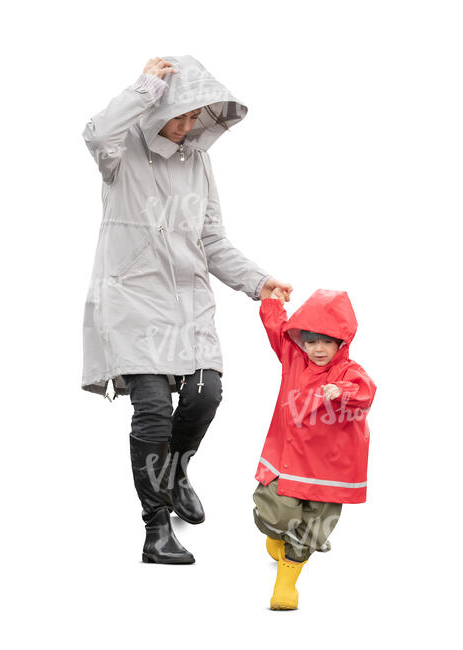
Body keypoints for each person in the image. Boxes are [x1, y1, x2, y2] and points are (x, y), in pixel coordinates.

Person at [81, 55, 293, 564]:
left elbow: (211, 238)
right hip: (132, 300)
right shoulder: (123, 150)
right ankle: (156, 529)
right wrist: (146, 86)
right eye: (179, 114)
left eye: (195, 115)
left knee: (205, 396)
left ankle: (173, 471)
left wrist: (258, 281)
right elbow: (94, 133)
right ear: (159, 110)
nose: (187, 124)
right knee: (152, 412)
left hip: (189, 302)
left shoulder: (198, 161)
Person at [253, 288, 376, 609]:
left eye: (326, 341)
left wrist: (341, 390)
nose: (318, 349)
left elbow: (365, 391)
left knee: (314, 528)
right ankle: (276, 535)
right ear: (301, 342)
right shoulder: (293, 358)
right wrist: (272, 300)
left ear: (341, 343)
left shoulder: (349, 371)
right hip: (288, 457)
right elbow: (277, 328)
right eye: (311, 341)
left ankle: (286, 584)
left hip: (330, 466)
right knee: (274, 511)